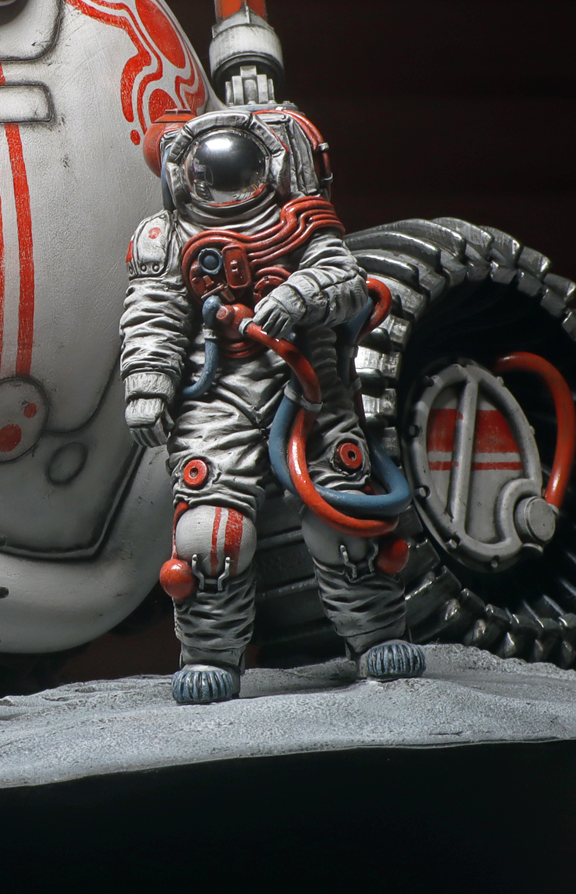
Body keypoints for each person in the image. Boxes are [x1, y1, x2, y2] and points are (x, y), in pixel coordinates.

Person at [120, 106, 423, 704]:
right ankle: (211, 653)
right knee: (210, 531)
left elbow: (345, 281)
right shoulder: (165, 237)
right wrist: (148, 383)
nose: (223, 181)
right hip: (218, 394)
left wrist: (299, 294)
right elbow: (153, 313)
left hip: (310, 385)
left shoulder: (304, 221)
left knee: (344, 513)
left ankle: (377, 635)